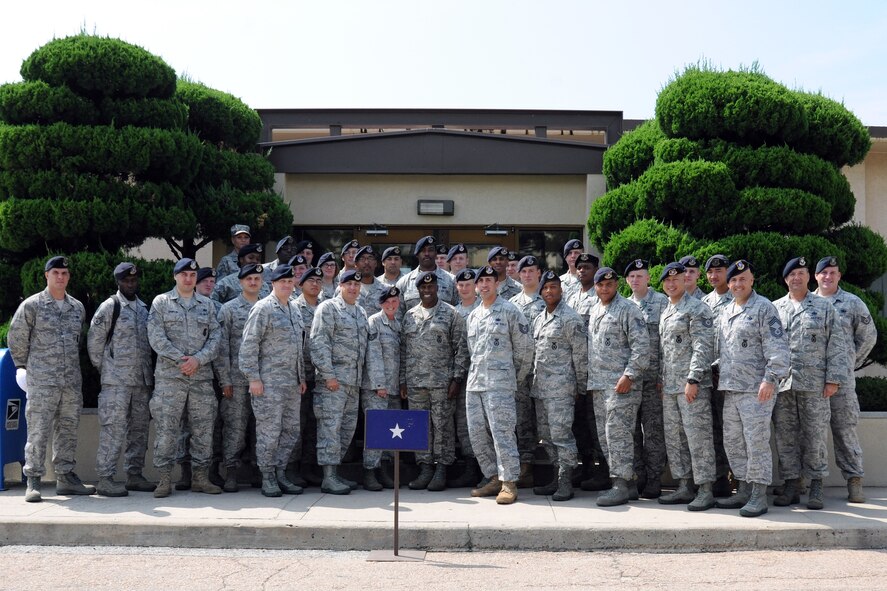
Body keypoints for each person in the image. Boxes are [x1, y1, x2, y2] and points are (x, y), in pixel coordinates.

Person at [8, 255, 93, 502]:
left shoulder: (76, 307)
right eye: (55, 272)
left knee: (68, 429)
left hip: (70, 381)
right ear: (46, 275)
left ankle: (65, 477)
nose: (60, 277)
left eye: (64, 273)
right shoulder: (32, 305)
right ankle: (33, 479)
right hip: (42, 380)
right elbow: (16, 338)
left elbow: (78, 341)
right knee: (38, 430)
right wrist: (22, 368)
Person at [714, 260, 789, 517]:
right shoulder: (726, 311)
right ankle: (744, 488)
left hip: (757, 389)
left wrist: (770, 379)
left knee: (756, 442)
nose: (737, 284)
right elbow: (724, 348)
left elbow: (777, 348)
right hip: (731, 388)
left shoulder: (764, 308)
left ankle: (759, 493)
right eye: (733, 280)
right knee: (733, 442)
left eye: (742, 279)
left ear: (752, 280)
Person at [773, 257, 846, 510]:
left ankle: (816, 485)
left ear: (809, 277)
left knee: (814, 435)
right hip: (783, 385)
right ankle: (791, 484)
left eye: (801, 273)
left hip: (814, 385)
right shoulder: (775, 309)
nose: (796, 278)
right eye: (792, 274)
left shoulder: (824, 308)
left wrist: (833, 379)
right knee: (785, 436)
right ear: (785, 279)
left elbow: (836, 345)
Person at [147, 258, 223, 498]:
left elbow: (216, 338)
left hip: (200, 378)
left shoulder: (208, 306)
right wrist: (182, 359)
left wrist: (198, 360)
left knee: (203, 429)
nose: (188, 279)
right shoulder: (161, 302)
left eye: (192, 275)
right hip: (171, 379)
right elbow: (156, 337)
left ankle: (201, 478)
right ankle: (164, 479)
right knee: (167, 429)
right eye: (184, 275)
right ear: (175, 277)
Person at [465, 266, 533, 505]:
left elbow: (525, 350)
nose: (484, 285)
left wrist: (513, 378)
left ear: (497, 284)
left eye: (488, 281)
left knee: (502, 433)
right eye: (480, 281)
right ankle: (493, 476)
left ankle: (509, 482)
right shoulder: (473, 315)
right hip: (475, 384)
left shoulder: (510, 311)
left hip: (500, 384)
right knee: (477, 434)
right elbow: (473, 351)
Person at [310, 270, 382, 495]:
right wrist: (329, 375)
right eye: (348, 284)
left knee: (346, 430)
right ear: (340, 285)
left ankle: (336, 473)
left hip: (353, 382)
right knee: (330, 429)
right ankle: (328, 477)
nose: (353, 288)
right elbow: (319, 343)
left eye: (356, 285)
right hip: (333, 382)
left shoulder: (360, 312)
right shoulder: (328, 308)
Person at [86, 262, 155, 497]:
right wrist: (107, 369)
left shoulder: (144, 309)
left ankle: (134, 475)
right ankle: (105, 478)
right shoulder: (110, 307)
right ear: (119, 282)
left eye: (134, 280)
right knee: (113, 430)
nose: (131, 284)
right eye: (127, 281)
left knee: (139, 430)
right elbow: (94, 343)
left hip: (141, 382)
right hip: (116, 383)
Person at [239, 264, 307, 497]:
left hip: (290, 384)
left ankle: (280, 472)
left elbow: (299, 347)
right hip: (268, 384)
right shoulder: (263, 308)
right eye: (282, 282)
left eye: (290, 282)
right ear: (273, 284)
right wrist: (253, 378)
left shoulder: (294, 309)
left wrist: (300, 377)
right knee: (269, 432)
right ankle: (267, 476)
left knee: (291, 431)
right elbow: (249, 345)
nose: (287, 285)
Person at [814, 255, 877, 503]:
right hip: (813, 383)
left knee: (845, 431)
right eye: (823, 273)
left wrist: (849, 365)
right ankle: (804, 481)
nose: (828, 277)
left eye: (832, 272)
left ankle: (854, 480)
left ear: (839, 276)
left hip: (842, 384)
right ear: (815, 276)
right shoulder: (806, 303)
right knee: (811, 433)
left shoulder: (852, 303)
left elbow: (868, 337)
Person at [586, 267, 650, 507]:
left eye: (609, 284)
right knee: (605, 436)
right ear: (595, 286)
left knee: (618, 435)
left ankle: (620, 484)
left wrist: (629, 375)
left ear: (617, 285)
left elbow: (642, 348)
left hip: (621, 385)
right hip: (600, 385)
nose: (605, 288)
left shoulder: (628, 310)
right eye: (601, 285)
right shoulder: (595, 309)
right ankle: (630, 483)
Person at [400, 272, 469, 492]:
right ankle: (425, 467)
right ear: (418, 290)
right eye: (423, 288)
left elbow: (461, 349)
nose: (427, 291)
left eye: (431, 287)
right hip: (415, 382)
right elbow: (403, 351)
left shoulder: (451, 314)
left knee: (442, 426)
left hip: (442, 382)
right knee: (419, 427)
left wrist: (457, 378)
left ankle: (441, 468)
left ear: (437, 288)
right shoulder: (409, 316)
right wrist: (403, 380)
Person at [657, 262, 717, 511]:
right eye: (667, 281)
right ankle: (684, 485)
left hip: (691, 386)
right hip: (671, 386)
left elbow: (703, 347)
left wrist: (693, 379)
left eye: (676, 279)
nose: (672, 284)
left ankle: (705, 488)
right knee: (676, 439)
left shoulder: (697, 308)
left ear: (685, 280)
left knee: (698, 437)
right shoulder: (667, 309)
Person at [530, 271, 587, 502]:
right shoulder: (538, 318)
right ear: (541, 292)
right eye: (545, 288)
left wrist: (580, 387)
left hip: (562, 389)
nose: (549, 291)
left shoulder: (570, 319)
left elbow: (581, 356)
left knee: (562, 435)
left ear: (561, 290)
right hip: (541, 389)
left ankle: (566, 480)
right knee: (545, 436)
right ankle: (555, 475)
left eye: (554, 287)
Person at [215, 264, 265, 493]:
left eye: (257, 278)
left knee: (261, 427)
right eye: (249, 279)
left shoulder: (268, 308)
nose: (253, 282)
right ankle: (231, 472)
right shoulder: (229, 309)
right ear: (240, 282)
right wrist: (224, 380)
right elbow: (222, 348)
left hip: (264, 380)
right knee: (235, 428)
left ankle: (258, 469)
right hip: (236, 380)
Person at [624, 259, 668, 499]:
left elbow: (666, 344)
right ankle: (636, 476)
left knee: (653, 432)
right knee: (631, 432)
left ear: (648, 278)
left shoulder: (662, 303)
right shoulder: (625, 305)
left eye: (639, 276)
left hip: (653, 381)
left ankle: (654, 478)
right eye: (631, 276)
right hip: (631, 382)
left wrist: (663, 375)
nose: (635, 280)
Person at [509, 255, 546, 488]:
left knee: (545, 421)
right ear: (519, 275)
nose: (528, 275)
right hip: (521, 371)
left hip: (545, 371)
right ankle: (525, 466)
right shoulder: (512, 304)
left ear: (539, 273)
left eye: (532, 271)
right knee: (521, 420)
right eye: (524, 271)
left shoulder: (550, 298)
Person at [362, 287, 403, 491]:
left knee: (390, 433)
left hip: (393, 388)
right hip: (377, 388)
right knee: (376, 431)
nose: (391, 305)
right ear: (380, 304)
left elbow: (401, 357)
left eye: (394, 301)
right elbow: (373, 355)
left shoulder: (398, 324)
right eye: (387, 302)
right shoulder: (375, 322)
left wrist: (400, 383)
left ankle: (384, 470)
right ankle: (370, 472)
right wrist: (379, 384)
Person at [701, 254, 733, 496]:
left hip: (731, 376)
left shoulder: (738, 298)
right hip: (706, 376)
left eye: (719, 271)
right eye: (710, 272)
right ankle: (719, 476)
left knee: (731, 428)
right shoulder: (704, 302)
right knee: (711, 427)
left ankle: (739, 478)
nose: (714, 275)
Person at [291, 267, 325, 486]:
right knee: (297, 424)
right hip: (299, 376)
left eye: (318, 281)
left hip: (321, 376)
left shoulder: (326, 307)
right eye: (310, 280)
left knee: (315, 424)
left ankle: (308, 466)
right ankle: (292, 468)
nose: (315, 284)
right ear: (300, 284)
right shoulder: (293, 308)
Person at [449, 268, 482, 487]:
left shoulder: (485, 308)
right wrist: (455, 377)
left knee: (482, 425)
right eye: (460, 285)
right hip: (460, 377)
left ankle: (486, 470)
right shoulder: (454, 312)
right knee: (464, 425)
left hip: (483, 376)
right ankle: (471, 468)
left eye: (468, 284)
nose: (464, 288)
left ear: (476, 286)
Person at [396, 236, 456, 312]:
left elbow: (457, 310)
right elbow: (398, 315)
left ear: (435, 253)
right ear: (417, 254)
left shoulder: (451, 280)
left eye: (430, 250)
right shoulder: (404, 282)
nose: (427, 254)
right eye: (423, 251)